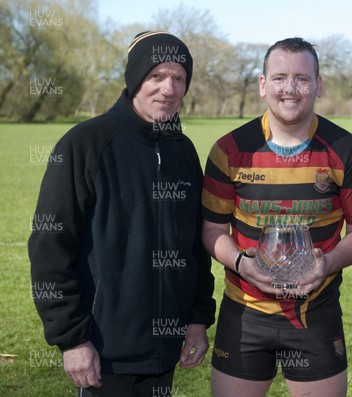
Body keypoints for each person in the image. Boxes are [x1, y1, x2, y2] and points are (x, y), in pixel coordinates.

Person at [29, 30, 216, 396]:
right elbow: (50, 246)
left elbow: (195, 246)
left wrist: (196, 319)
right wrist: (72, 339)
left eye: (179, 78)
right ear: (134, 80)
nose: (169, 88)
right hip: (103, 354)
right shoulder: (85, 144)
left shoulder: (183, 150)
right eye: (156, 76)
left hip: (165, 353)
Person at [201, 37, 352, 397]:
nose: (290, 89)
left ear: (318, 84)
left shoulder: (348, 151)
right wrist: (238, 262)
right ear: (263, 84)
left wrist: (326, 263)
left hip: (316, 312)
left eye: (302, 78)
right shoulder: (229, 149)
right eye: (280, 78)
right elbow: (212, 228)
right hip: (245, 313)